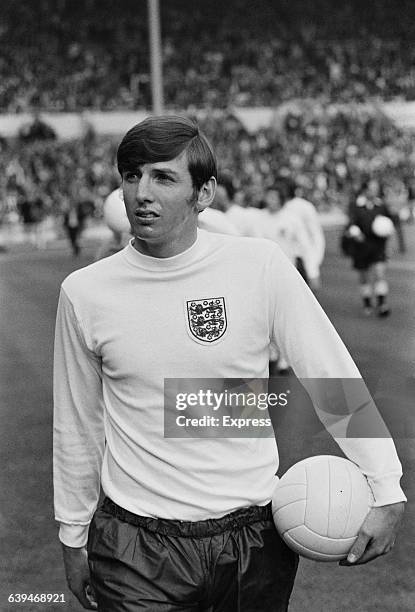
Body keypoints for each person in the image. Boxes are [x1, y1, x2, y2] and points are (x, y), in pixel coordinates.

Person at [54, 116, 406, 612]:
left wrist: (386, 485)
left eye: (164, 177)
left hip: (254, 539)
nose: (142, 193)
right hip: (136, 546)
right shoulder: (85, 292)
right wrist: (73, 533)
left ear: (204, 193)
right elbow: (77, 424)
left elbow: (330, 376)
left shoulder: (258, 265)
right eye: (132, 176)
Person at [345, 178, 395, 316]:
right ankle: (367, 302)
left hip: (378, 246)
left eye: (376, 188)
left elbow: (389, 224)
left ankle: (382, 304)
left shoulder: (381, 206)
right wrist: (355, 233)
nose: (374, 191)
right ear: (365, 190)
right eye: (371, 188)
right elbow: (350, 225)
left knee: (380, 273)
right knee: (364, 277)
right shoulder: (356, 206)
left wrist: (388, 238)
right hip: (361, 247)